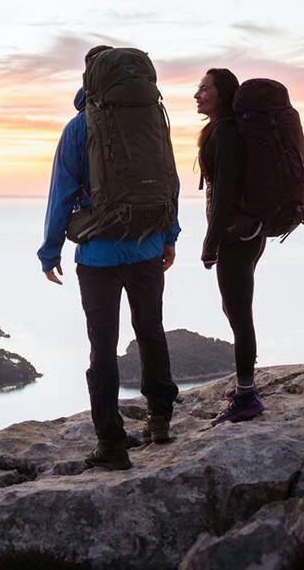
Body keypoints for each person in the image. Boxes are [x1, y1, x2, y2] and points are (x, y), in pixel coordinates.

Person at [39, 46, 179, 471]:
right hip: (148, 246)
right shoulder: (152, 120)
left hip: (98, 255)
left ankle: (111, 443)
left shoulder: (79, 127)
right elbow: (169, 179)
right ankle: (160, 418)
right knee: (151, 329)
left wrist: (50, 250)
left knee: (103, 345)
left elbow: (62, 192)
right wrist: (169, 235)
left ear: (90, 78)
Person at [194, 67, 265, 424]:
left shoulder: (224, 134)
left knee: (238, 314)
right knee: (235, 309)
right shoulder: (225, 131)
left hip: (236, 236)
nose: (197, 94)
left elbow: (223, 193)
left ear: (222, 94)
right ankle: (244, 386)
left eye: (204, 89)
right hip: (248, 233)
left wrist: (210, 242)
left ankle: (248, 396)